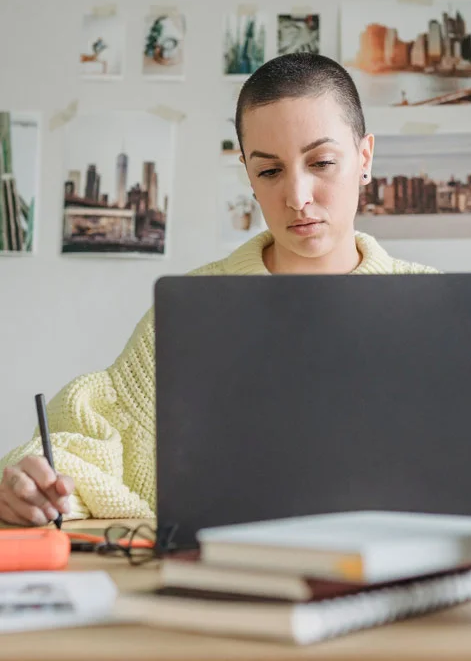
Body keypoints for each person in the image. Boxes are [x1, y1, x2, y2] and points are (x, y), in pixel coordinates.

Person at [0, 53, 438, 527]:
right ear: (249, 176)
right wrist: (36, 482)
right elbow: (90, 440)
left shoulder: (434, 306)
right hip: (228, 578)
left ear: (365, 158)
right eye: (270, 171)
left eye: (323, 162)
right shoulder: (194, 310)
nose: (297, 196)